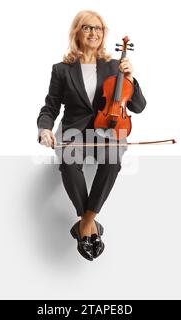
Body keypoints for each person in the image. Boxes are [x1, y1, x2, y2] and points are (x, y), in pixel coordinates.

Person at [36, 10, 147, 261]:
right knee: (68, 163)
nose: (93, 32)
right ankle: (91, 226)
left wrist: (130, 78)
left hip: (106, 131)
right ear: (77, 32)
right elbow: (51, 106)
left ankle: (85, 224)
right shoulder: (62, 69)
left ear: (104, 34)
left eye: (98, 28)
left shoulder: (114, 66)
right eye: (87, 28)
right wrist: (44, 129)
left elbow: (138, 107)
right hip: (73, 131)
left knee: (112, 161)